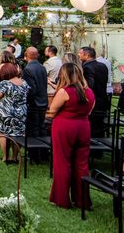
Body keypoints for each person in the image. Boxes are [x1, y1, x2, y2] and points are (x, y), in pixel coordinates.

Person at [48, 62, 95, 209]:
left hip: (65, 127)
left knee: (62, 162)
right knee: (82, 164)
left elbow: (52, 112)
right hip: (83, 127)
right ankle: (82, 200)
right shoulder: (89, 92)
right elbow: (89, 111)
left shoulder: (65, 91)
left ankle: (61, 198)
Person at [0, 62, 29, 164]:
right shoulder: (24, 83)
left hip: (6, 112)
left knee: (3, 133)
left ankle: (5, 157)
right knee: (18, 134)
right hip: (21, 113)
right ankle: (14, 157)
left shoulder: (5, 84)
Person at [22, 47, 48, 160]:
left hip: (34, 103)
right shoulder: (42, 67)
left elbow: (31, 89)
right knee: (42, 127)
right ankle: (43, 152)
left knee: (32, 128)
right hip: (43, 100)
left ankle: (33, 154)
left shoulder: (28, 69)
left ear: (26, 55)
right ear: (37, 55)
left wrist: (27, 102)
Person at [79, 46, 109, 137]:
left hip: (93, 100)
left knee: (92, 125)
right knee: (99, 125)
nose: (79, 55)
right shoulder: (103, 66)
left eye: (80, 53)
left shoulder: (87, 67)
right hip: (103, 99)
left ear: (87, 55)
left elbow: (89, 85)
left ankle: (92, 147)